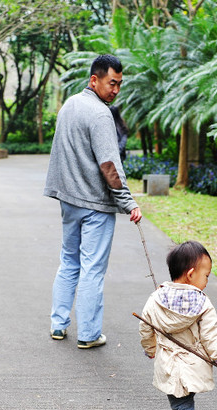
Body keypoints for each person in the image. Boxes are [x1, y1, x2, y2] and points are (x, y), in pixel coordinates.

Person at [43, 54, 142, 349]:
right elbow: (110, 165)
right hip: (94, 205)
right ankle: (88, 334)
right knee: (92, 269)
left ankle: (58, 325)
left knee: (69, 262)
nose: (116, 90)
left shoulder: (69, 105)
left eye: (120, 85)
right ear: (94, 80)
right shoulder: (100, 115)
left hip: (69, 202)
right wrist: (129, 203)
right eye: (112, 83)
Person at [139, 240, 217, 410]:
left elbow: (145, 328)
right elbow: (211, 335)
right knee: (184, 401)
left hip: (169, 363)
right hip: (194, 363)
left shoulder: (155, 299)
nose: (207, 281)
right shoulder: (203, 303)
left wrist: (151, 349)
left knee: (181, 404)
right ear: (191, 274)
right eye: (206, 276)